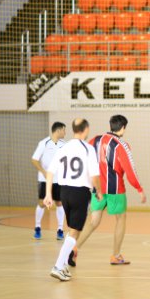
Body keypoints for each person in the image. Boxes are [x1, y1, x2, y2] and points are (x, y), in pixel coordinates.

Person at [72, 115, 146, 267]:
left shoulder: (95, 140)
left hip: (97, 187)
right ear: (123, 128)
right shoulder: (121, 145)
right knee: (121, 218)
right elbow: (129, 169)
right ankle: (116, 255)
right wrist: (139, 188)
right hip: (115, 189)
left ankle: (74, 248)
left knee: (93, 221)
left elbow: (86, 161)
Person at [44, 118, 102, 281]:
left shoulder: (63, 147)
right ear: (86, 129)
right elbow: (94, 175)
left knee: (72, 230)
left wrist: (49, 194)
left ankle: (62, 266)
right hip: (79, 192)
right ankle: (57, 266)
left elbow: (50, 172)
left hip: (64, 192)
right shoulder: (88, 149)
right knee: (75, 231)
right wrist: (98, 191)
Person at [30, 122, 66, 240]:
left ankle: (60, 229)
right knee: (42, 203)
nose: (65, 133)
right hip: (44, 179)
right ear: (58, 130)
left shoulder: (64, 144)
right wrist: (44, 172)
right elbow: (34, 160)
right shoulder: (43, 143)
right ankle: (37, 227)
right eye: (64, 130)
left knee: (59, 203)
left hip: (59, 180)